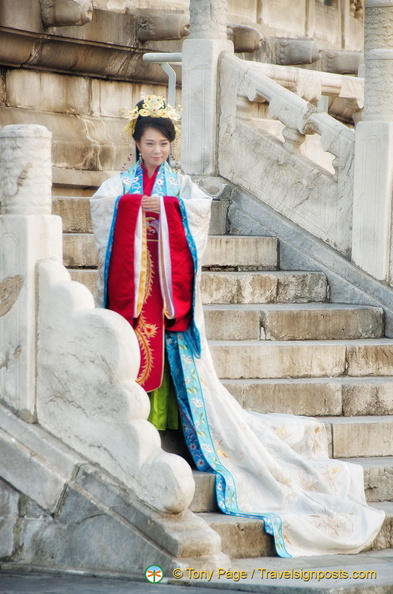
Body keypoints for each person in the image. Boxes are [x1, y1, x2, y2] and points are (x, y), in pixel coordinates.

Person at [90, 95, 385, 558]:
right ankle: (142, 418)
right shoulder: (120, 184)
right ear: (136, 142)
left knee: (173, 355)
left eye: (164, 144)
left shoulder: (181, 184)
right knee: (136, 350)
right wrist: (133, 206)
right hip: (137, 282)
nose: (157, 151)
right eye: (150, 143)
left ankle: (175, 423)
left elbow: (199, 214)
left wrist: (165, 211)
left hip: (168, 290)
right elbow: (104, 209)